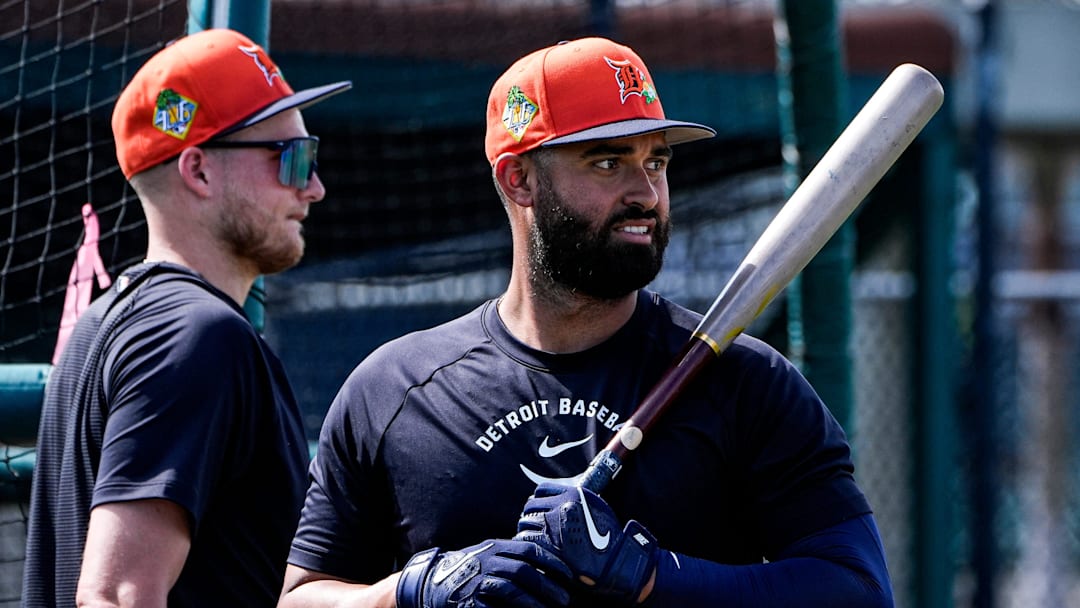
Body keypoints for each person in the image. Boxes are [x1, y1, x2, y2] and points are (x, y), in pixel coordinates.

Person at [280, 37, 893, 607]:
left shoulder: (743, 379)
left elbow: (857, 587)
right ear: (518, 179)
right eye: (608, 162)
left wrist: (649, 573)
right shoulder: (396, 390)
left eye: (656, 162)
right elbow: (302, 596)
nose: (646, 193)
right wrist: (413, 591)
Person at [22, 28, 351, 607]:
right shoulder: (194, 336)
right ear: (198, 171)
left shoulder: (105, 324)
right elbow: (118, 597)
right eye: (293, 160)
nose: (315, 187)